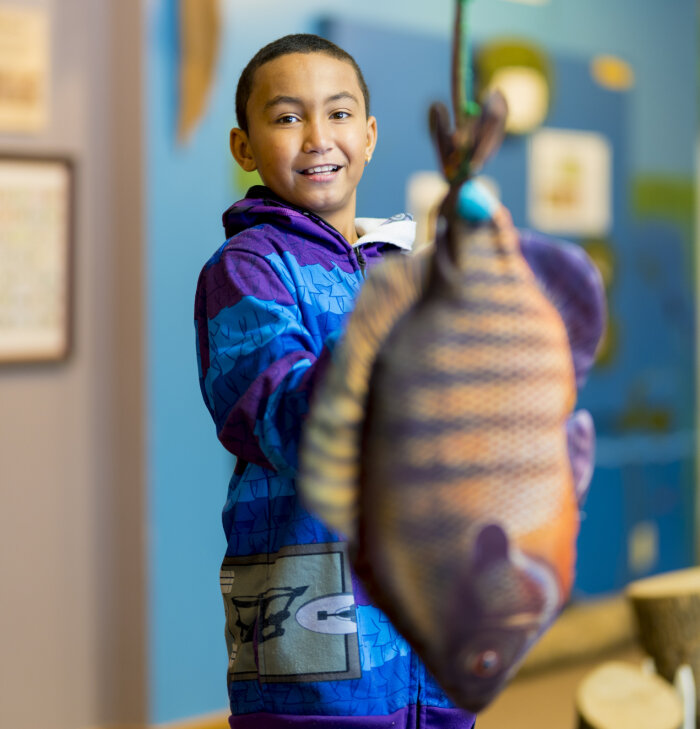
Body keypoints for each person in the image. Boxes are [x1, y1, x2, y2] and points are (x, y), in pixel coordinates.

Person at [194, 33, 478, 729]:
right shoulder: (245, 268)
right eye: (288, 117)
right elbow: (289, 424)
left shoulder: (404, 265)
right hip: (313, 660)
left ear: (371, 134)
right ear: (244, 146)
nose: (319, 136)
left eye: (340, 113)